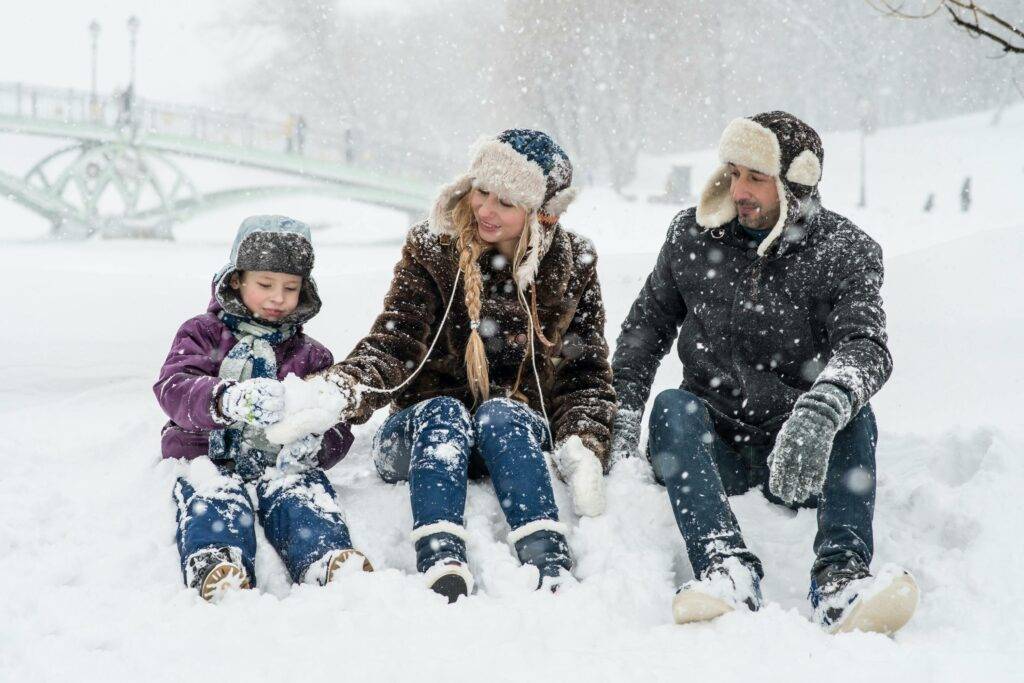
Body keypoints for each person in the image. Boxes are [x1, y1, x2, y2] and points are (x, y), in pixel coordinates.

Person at [611, 111, 918, 634]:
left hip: (800, 455)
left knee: (854, 413)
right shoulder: (690, 236)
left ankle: (841, 580)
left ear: (795, 184)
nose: (740, 190)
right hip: (713, 449)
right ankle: (724, 566)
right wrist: (618, 422)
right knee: (671, 407)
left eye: (756, 177)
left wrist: (820, 412)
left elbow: (866, 346)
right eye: (733, 173)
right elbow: (643, 334)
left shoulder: (845, 251)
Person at [318, 129, 615, 601]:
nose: (485, 210)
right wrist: (339, 391)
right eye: (482, 191)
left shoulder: (573, 262)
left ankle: (547, 556)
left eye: (506, 202)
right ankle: (440, 554)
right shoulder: (432, 248)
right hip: (422, 435)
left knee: (502, 413)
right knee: (444, 412)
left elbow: (586, 372)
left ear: (542, 215)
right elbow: (395, 341)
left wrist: (585, 441)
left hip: (510, 437)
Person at [154, 215, 371, 602]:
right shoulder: (202, 334)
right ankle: (217, 559)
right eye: (265, 285)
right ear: (236, 279)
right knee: (215, 495)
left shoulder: (311, 355)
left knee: (301, 493)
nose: (278, 298)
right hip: (206, 455)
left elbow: (336, 422)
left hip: (279, 463)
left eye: (290, 288)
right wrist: (225, 399)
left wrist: (317, 443)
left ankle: (324, 556)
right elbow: (174, 386)